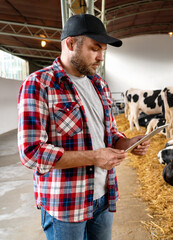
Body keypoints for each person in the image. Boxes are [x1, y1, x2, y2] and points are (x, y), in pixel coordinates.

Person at [17, 13, 150, 240]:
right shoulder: (39, 84)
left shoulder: (99, 85)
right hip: (66, 204)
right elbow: (31, 153)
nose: (100, 58)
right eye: (94, 48)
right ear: (70, 44)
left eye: (103, 51)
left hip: (104, 197)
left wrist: (125, 142)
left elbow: (108, 132)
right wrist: (94, 157)